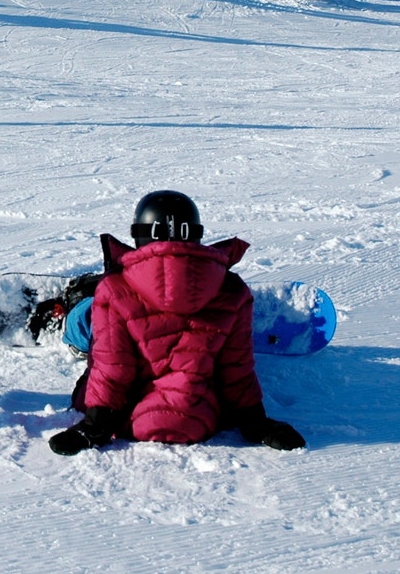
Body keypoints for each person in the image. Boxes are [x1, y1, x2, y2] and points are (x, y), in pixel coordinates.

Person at [47, 191, 305, 456]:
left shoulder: (114, 290)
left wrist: (94, 427)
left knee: (92, 316)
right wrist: (256, 423)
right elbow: (236, 369)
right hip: (203, 417)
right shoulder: (234, 291)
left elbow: (112, 369)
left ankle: (74, 317)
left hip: (129, 416)